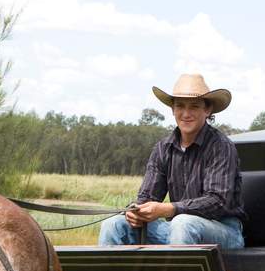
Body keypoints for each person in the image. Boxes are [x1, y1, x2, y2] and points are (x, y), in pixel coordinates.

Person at [98, 73, 246, 248]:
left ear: (207, 110)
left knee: (183, 224)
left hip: (224, 230)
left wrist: (169, 209)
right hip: (175, 228)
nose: (186, 113)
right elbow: (147, 197)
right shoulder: (163, 148)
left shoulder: (221, 146)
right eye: (180, 106)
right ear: (172, 109)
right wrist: (135, 210)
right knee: (114, 224)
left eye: (194, 106)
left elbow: (217, 201)